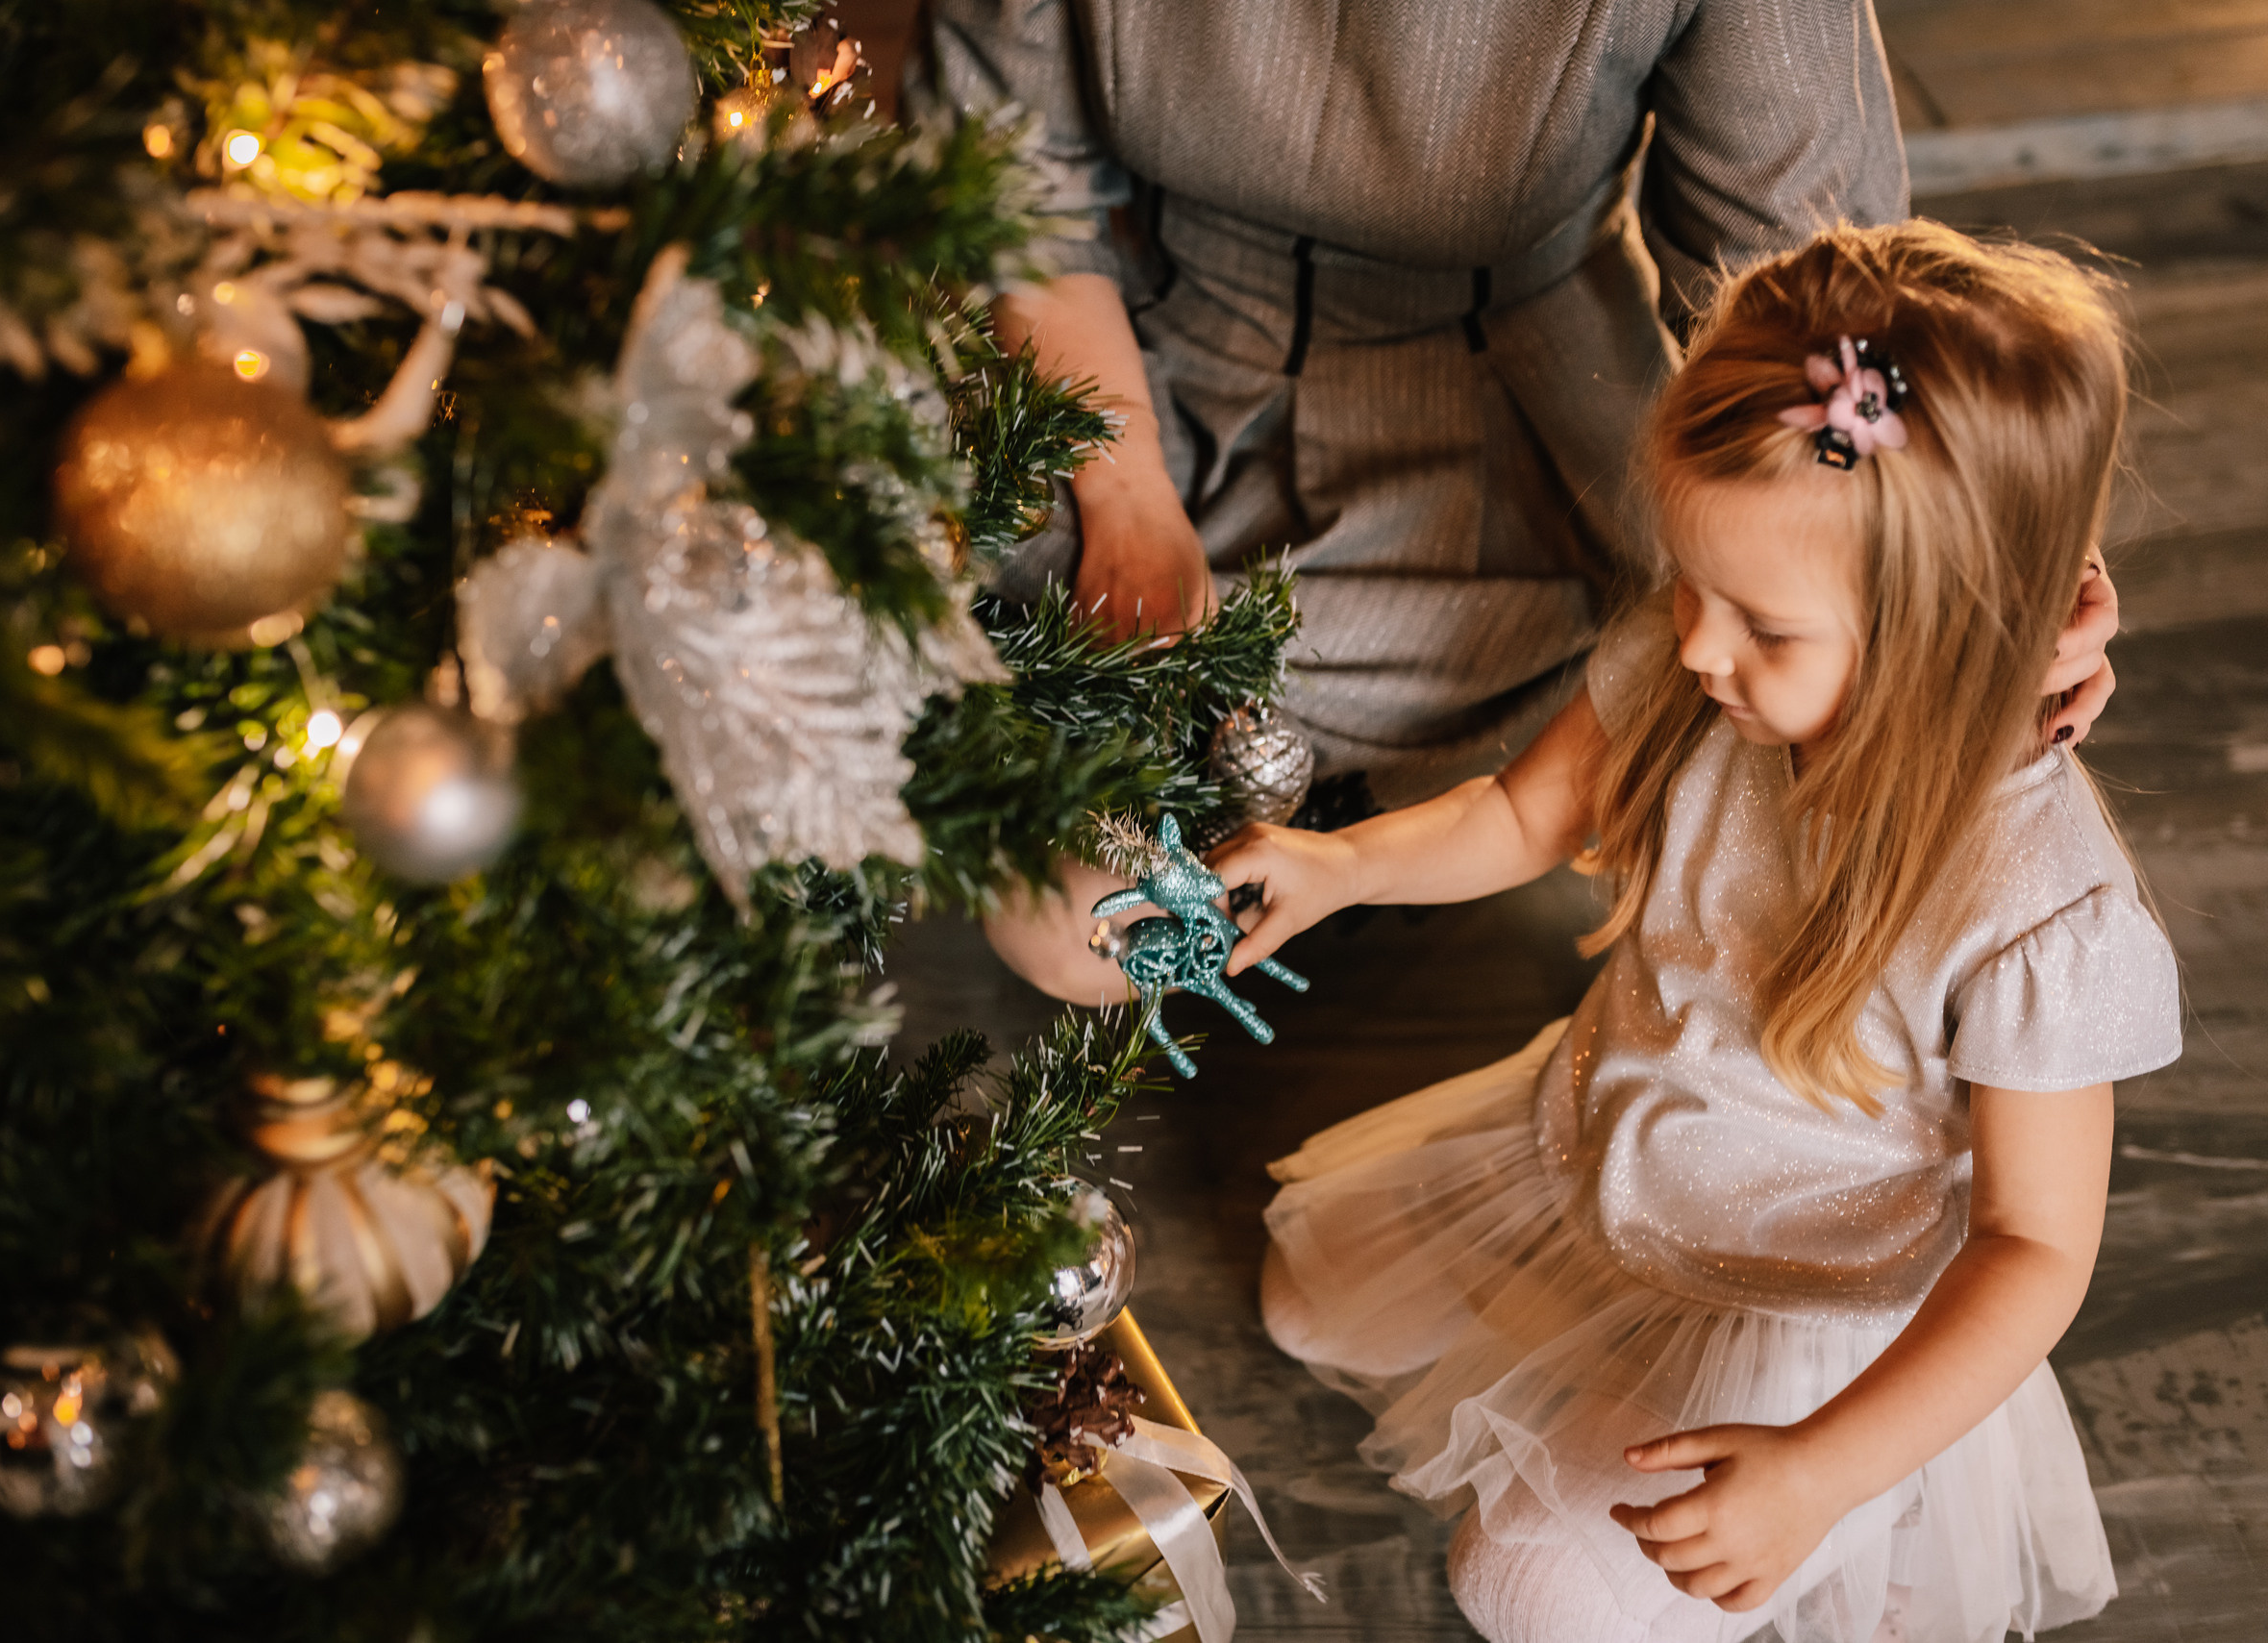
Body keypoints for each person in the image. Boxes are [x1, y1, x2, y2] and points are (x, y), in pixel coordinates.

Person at [1213, 223, 2181, 1643]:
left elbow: (2034, 1248)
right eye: (1691, 584)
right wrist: (1340, 865)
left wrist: (1820, 1469)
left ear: (1949, 633)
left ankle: (1857, 1529)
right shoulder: (1706, 669)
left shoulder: (2038, 908)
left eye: (1766, 629)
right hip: (1610, 1137)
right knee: (1307, 1293)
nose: (1699, 646)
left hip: (1809, 1301)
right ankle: (1596, 1360)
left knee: (1529, 1585)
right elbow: (1521, 813)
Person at [910, 0, 2125, 1002]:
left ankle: (1339, 804)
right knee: (1065, 918)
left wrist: (1999, 556)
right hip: (1119, 356)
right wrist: (1124, 503)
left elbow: (1834, 315)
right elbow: (1013, 189)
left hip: (1508, 412)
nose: (1708, 643)